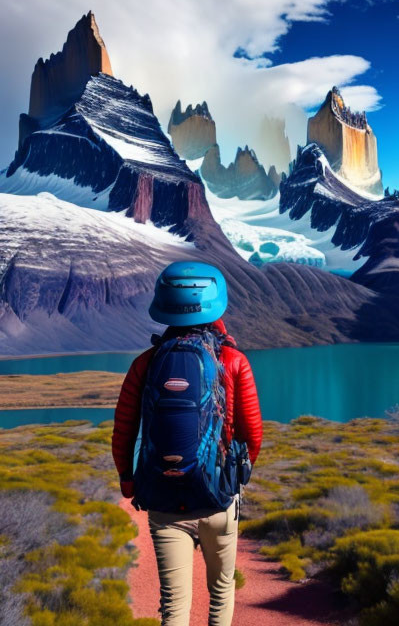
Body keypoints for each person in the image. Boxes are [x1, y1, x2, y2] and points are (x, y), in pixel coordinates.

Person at [112, 261, 262, 626]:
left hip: (164, 502)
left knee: (174, 606)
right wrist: (237, 476)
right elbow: (252, 434)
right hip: (217, 499)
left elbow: (123, 432)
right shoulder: (233, 361)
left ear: (163, 303)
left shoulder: (145, 363)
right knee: (222, 589)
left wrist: (128, 480)